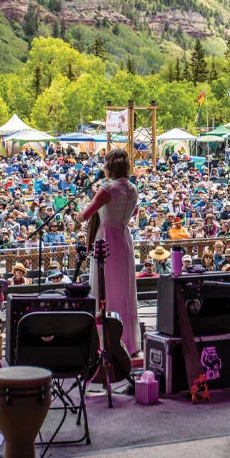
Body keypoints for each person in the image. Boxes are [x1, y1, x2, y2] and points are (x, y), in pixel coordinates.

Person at [77, 148, 139, 356]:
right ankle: (128, 342)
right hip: (123, 239)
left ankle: (104, 341)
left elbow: (85, 215)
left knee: (105, 288)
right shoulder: (132, 189)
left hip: (106, 240)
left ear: (108, 167)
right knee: (124, 288)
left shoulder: (107, 189)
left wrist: (76, 215)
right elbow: (133, 211)